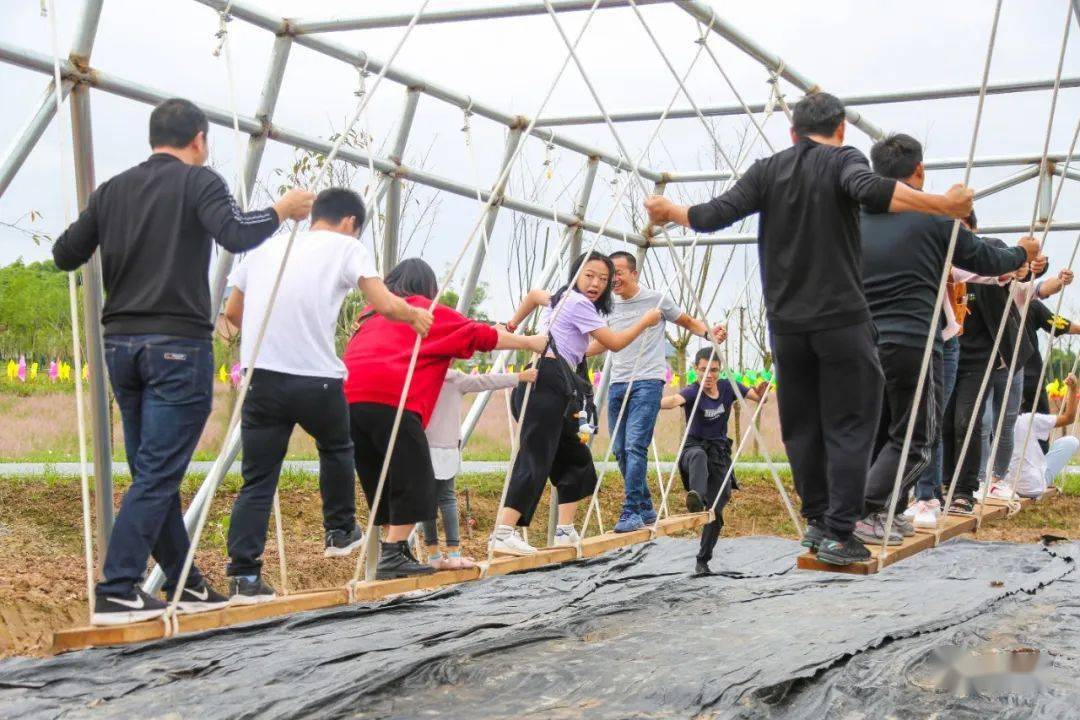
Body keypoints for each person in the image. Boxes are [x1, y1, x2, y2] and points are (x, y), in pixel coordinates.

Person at [643, 92, 973, 566]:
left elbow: (711, 215)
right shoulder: (843, 160)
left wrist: (669, 211)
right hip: (841, 320)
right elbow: (873, 189)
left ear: (792, 132)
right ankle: (840, 530)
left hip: (786, 326)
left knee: (802, 427)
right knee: (851, 423)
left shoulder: (766, 170)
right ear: (841, 130)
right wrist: (943, 204)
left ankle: (818, 522)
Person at [52, 98, 314, 625]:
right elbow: (237, 234)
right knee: (157, 473)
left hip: (121, 345)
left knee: (153, 469)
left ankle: (185, 583)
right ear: (199, 139)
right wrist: (281, 212)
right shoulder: (200, 181)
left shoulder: (113, 190)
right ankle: (118, 587)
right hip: (175, 346)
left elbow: (64, 254)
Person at [222, 188, 433, 604]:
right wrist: (414, 314)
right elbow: (384, 303)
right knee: (337, 447)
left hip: (262, 379)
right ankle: (339, 529)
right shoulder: (347, 247)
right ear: (351, 222)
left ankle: (244, 576)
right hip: (316, 379)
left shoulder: (264, 247)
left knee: (258, 480)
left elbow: (232, 313)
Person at [858, 134, 1037, 542]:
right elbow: (985, 258)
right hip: (913, 346)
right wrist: (1022, 252)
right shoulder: (932, 219)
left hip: (866, 345)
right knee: (918, 438)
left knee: (882, 430)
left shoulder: (858, 221)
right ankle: (861, 511)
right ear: (919, 171)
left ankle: (881, 511)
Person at [343, 258, 548, 579]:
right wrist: (528, 342)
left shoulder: (369, 315)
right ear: (429, 288)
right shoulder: (425, 311)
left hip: (349, 402)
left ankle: (394, 550)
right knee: (417, 478)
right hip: (392, 399)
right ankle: (394, 554)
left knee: (380, 476)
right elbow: (480, 336)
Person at [489, 251, 662, 556]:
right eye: (589, 275)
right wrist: (645, 322)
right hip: (545, 384)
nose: (596, 283)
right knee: (536, 455)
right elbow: (616, 343)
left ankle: (564, 531)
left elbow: (533, 297)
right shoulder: (580, 303)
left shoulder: (559, 298)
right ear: (577, 275)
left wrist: (513, 323)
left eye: (603, 279)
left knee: (575, 457)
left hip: (554, 384)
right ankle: (503, 531)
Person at [590, 250, 725, 534]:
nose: (613, 280)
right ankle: (645, 506)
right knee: (619, 450)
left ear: (634, 273)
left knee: (635, 445)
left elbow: (687, 322)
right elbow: (605, 342)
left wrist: (709, 334)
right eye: (609, 275)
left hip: (648, 381)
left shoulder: (656, 300)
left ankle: (630, 511)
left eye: (618, 273)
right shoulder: (608, 306)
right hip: (617, 381)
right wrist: (571, 353)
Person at [660, 348, 767, 575]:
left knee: (716, 510)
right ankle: (696, 498)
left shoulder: (728, 387)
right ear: (696, 370)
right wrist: (647, 399)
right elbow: (672, 401)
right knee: (698, 456)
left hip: (719, 454)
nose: (709, 375)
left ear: (719, 371)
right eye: (703, 370)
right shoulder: (693, 392)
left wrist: (761, 393)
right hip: (694, 450)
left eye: (714, 370)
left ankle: (703, 560)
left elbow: (758, 398)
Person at [422, 366, 538, 569]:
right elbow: (486, 381)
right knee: (447, 498)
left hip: (421, 445)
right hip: (447, 447)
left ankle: (434, 557)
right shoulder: (454, 378)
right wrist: (519, 376)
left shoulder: (419, 374)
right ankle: (454, 554)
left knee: (427, 502)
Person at [1011, 373, 1079, 498]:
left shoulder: (987, 420)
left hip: (1000, 485)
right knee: (1071, 441)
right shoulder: (1027, 420)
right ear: (1021, 400)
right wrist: (1073, 388)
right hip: (1031, 487)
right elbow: (1069, 418)